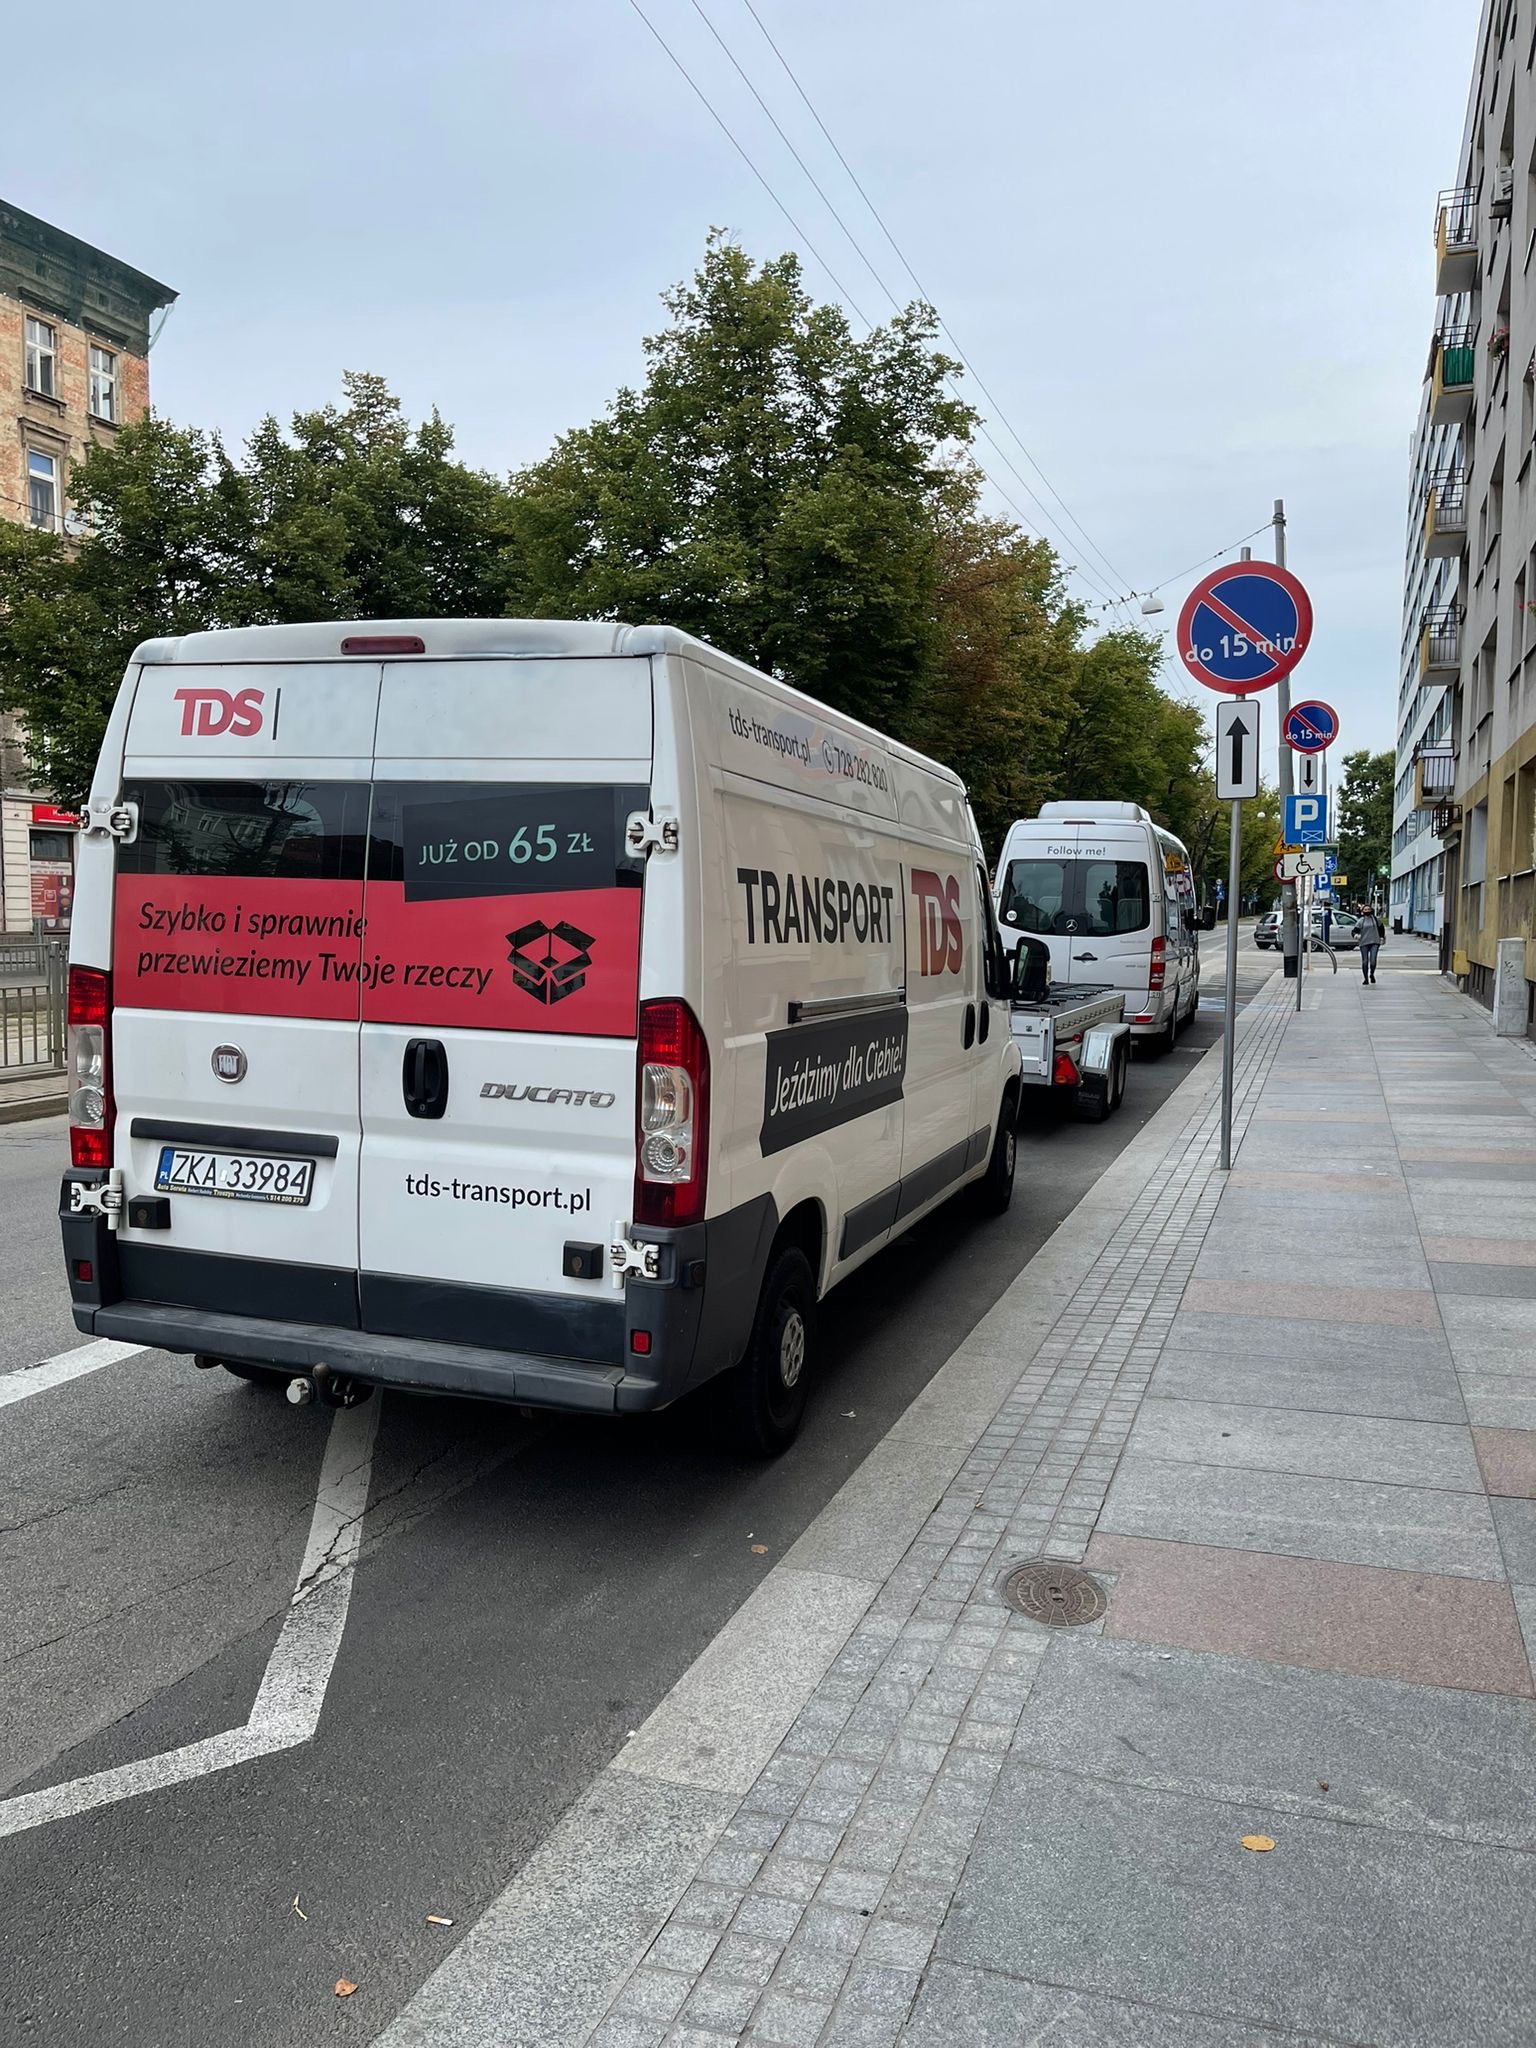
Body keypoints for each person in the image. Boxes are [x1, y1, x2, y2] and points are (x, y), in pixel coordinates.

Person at [1356, 902, 1382, 984]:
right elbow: (1354, 931)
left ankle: (1372, 974)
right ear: (1363, 911)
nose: (1367, 911)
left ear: (1371, 910)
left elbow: (1381, 928)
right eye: (1365, 909)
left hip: (1375, 941)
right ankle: (1365, 978)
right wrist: (1356, 935)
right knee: (1365, 961)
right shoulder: (1361, 921)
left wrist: (1382, 937)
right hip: (1364, 943)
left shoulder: (1375, 919)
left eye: (1368, 909)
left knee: (1373, 961)